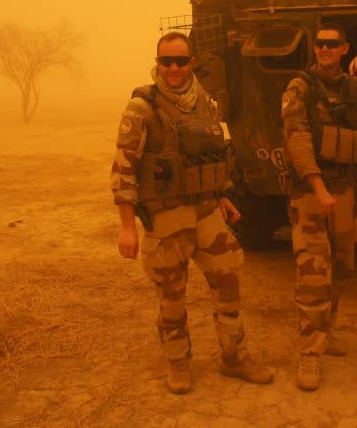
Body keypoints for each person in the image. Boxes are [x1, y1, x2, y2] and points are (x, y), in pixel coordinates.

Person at [111, 32, 273, 394]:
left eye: (180, 61)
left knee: (228, 282)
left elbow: (212, 156)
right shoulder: (142, 108)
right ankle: (178, 363)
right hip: (166, 217)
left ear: (192, 62)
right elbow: (123, 170)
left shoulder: (205, 102)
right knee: (172, 297)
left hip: (205, 213)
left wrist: (221, 196)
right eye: (165, 61)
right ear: (157, 62)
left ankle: (234, 358)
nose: (173, 68)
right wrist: (127, 228)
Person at [280, 24, 357, 391]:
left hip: (343, 188)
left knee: (341, 264)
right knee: (313, 271)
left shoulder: (350, 87)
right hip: (311, 191)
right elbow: (298, 138)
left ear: (344, 49)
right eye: (319, 44)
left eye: (331, 44)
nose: (324, 49)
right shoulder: (299, 88)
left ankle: (325, 331)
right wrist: (318, 186)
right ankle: (309, 350)